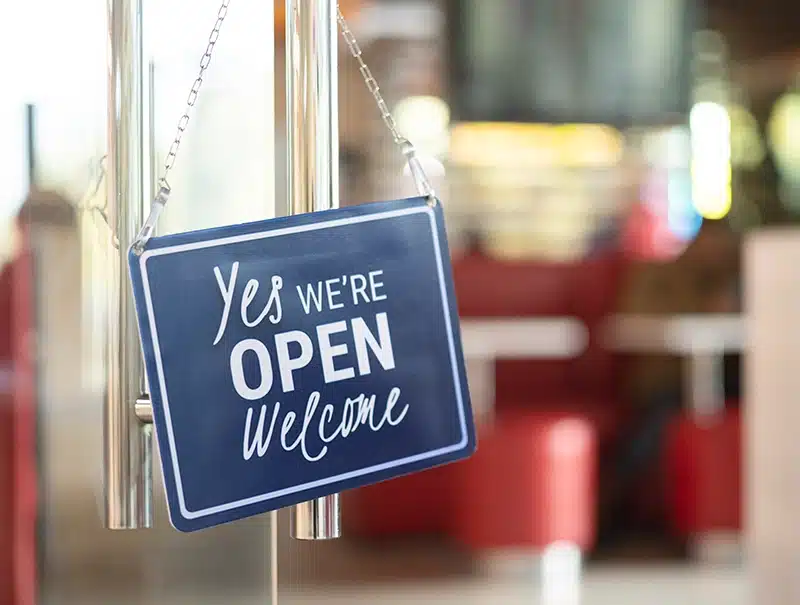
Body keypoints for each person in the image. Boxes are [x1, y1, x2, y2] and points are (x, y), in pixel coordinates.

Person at [599, 219, 741, 544]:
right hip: (665, 381)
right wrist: (706, 310)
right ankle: (610, 510)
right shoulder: (657, 275)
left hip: (724, 381)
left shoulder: (737, 279)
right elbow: (638, 319)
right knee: (659, 421)